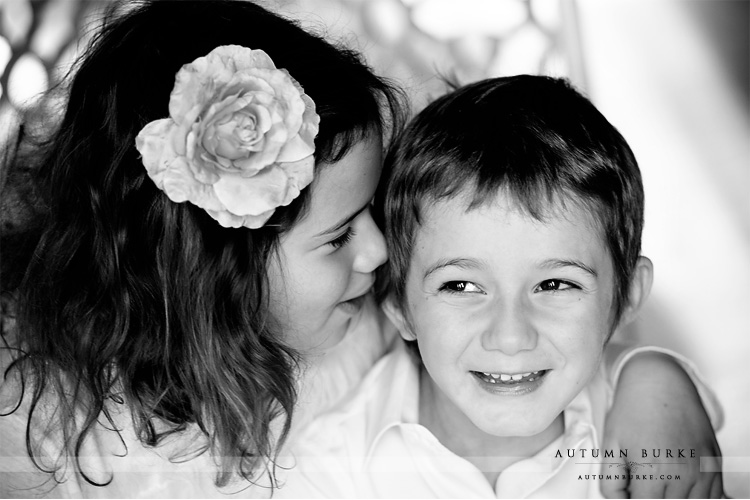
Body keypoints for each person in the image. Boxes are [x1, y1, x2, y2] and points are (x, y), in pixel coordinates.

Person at [0, 1, 722, 498]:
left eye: (369, 216)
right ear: (215, 271)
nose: (378, 254)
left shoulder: (366, 333)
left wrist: (657, 381)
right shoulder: (56, 437)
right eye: (341, 235)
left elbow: (542, 306)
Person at [279, 75, 724, 498]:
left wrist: (654, 372)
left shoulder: (655, 440)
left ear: (626, 297)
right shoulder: (329, 470)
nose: (510, 337)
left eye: (554, 284)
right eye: (462, 286)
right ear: (399, 305)